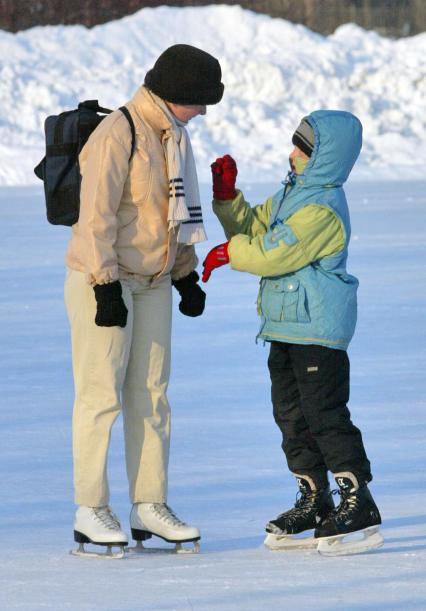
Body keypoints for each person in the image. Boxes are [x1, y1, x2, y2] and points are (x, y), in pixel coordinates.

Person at [64, 44, 224, 556]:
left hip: (153, 280)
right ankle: (90, 507)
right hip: (103, 278)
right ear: (175, 93)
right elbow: (95, 218)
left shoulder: (175, 138)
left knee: (152, 395)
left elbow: (170, 217)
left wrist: (184, 276)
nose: (202, 112)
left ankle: (148, 505)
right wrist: (105, 285)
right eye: (198, 101)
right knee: (100, 394)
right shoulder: (119, 133)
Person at [202, 110, 383, 555]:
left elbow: (273, 254)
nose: (292, 154)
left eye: (302, 148)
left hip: (317, 328)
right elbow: (255, 228)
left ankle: (357, 498)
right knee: (291, 417)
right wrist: (227, 199)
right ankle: (314, 498)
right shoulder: (293, 194)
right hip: (285, 324)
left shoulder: (322, 208)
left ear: (325, 157)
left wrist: (230, 253)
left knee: (324, 414)